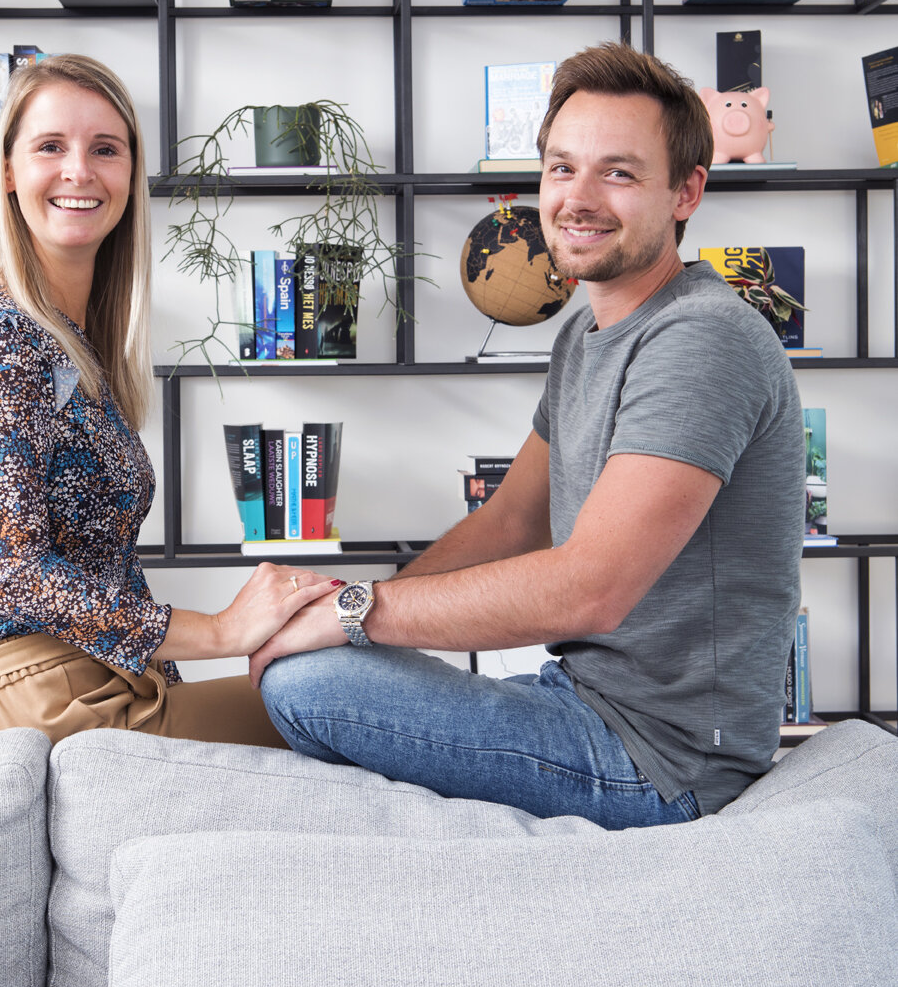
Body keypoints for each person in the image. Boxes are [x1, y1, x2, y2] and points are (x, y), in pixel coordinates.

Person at [252, 41, 807, 827]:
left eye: (617, 173)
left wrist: (351, 612)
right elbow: (511, 521)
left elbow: (591, 588)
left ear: (686, 191)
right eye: (560, 167)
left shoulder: (701, 337)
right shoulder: (585, 333)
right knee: (319, 665)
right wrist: (354, 623)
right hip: (577, 699)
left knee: (304, 684)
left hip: (662, 761)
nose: (577, 197)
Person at [0, 54, 338, 746]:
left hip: (96, 681)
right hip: (40, 703)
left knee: (333, 680)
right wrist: (223, 631)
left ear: (130, 174)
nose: (79, 170)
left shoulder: (69, 346)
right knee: (336, 699)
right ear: (9, 170)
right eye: (51, 146)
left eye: (105, 149)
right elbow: (12, 575)